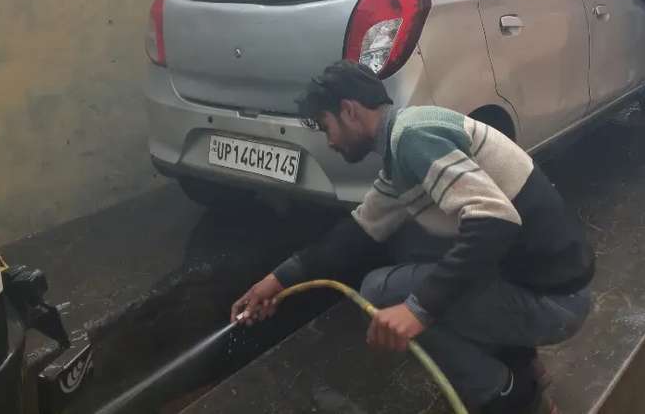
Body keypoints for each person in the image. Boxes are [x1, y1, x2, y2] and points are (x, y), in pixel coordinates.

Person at [232, 61, 594, 414]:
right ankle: (523, 362)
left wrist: (417, 310)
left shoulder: (412, 138)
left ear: (350, 111)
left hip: (554, 303)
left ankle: (510, 395)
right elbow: (358, 232)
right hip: (546, 284)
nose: (330, 142)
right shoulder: (405, 145)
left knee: (382, 292)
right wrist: (277, 280)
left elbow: (495, 221)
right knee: (410, 247)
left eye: (327, 127)